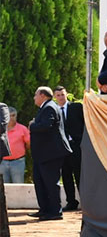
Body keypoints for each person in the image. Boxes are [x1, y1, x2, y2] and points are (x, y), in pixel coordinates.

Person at [28, 87, 72, 221]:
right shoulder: (45, 107)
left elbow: (47, 125)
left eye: (36, 95)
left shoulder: (49, 107)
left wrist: (32, 125)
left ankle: (55, 212)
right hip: (43, 154)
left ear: (42, 95)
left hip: (50, 154)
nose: (34, 98)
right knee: (40, 182)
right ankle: (45, 209)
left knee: (50, 183)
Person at [53, 86, 83, 212]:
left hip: (76, 145)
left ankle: (85, 202)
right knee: (66, 175)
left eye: (62, 94)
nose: (61, 97)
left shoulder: (76, 107)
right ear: (55, 97)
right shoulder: (53, 110)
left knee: (79, 174)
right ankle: (71, 202)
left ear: (66, 95)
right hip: (62, 148)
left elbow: (85, 123)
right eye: (58, 95)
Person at [1, 106, 29, 183]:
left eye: (13, 115)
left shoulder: (22, 129)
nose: (11, 118)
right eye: (9, 115)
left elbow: (28, 144)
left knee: (18, 185)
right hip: (2, 162)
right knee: (2, 187)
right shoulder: (1, 129)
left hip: (18, 162)